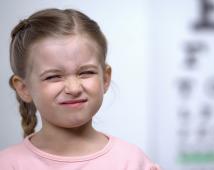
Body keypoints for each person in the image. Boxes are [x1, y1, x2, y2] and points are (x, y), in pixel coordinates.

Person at [0, 8, 160, 170]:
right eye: (53, 76)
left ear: (105, 78)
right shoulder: (7, 164)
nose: (74, 88)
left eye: (86, 72)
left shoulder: (132, 162)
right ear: (24, 88)